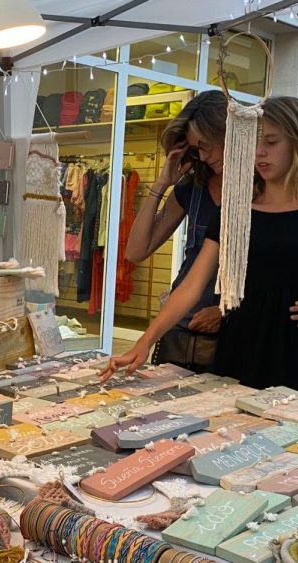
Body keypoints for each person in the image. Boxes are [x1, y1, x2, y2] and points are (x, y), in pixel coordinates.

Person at [102, 96, 298, 392]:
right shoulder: (236, 207)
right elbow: (191, 285)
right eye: (253, 143)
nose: (259, 153)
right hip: (236, 346)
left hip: (296, 352)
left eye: (271, 142)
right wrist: (145, 340)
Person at [123, 90, 228, 371]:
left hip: (234, 334)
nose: (203, 156)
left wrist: (225, 310)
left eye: (207, 145)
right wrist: (161, 184)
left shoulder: (259, 191)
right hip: (182, 328)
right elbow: (135, 251)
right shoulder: (192, 189)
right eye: (196, 149)